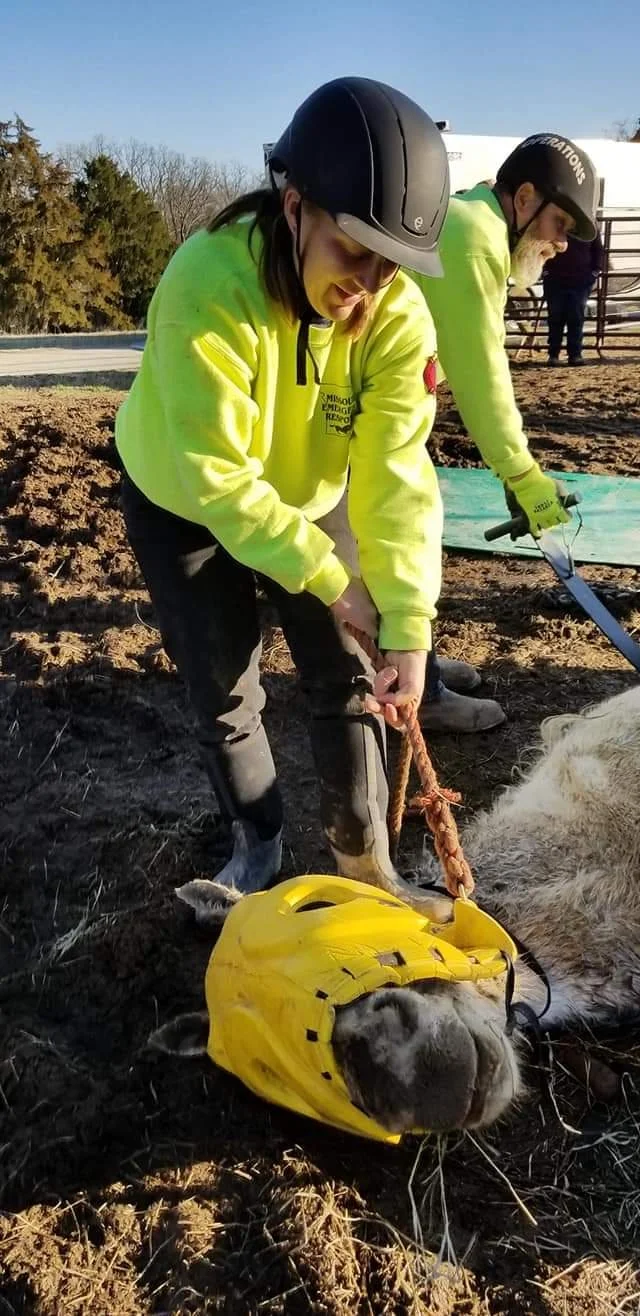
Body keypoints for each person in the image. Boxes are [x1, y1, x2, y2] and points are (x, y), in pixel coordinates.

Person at [115, 77, 450, 899]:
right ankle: (257, 843)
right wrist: (331, 578)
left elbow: (397, 471)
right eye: (352, 251)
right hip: (184, 499)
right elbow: (220, 480)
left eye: (391, 266)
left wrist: (406, 620)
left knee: (347, 675)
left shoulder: (395, 318)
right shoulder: (209, 284)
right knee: (224, 688)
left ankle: (362, 858)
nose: (366, 287)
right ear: (294, 204)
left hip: (310, 493)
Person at [407, 134, 599, 729]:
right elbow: (483, 370)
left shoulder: (469, 218)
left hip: (384, 399)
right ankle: (421, 692)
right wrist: (519, 469)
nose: (560, 244)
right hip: (353, 406)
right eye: (558, 223)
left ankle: (423, 663)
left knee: (409, 524)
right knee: (402, 528)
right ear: (523, 198)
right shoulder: (474, 237)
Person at [543, 231, 604, 365]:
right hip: (555, 279)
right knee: (556, 317)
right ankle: (554, 354)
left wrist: (594, 272)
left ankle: (574, 354)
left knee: (575, 317)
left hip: (580, 280)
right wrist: (545, 272)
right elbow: (540, 247)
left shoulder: (589, 227)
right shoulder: (556, 223)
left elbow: (598, 250)